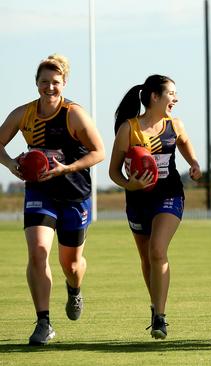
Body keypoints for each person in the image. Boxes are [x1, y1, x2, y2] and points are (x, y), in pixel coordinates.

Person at [0, 54, 105, 345]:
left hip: (73, 193)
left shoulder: (74, 113)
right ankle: (43, 322)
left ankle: (74, 290)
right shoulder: (24, 114)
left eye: (55, 82)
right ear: (36, 84)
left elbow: (99, 152)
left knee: (71, 265)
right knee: (38, 252)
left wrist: (67, 167)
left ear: (64, 83)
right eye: (44, 82)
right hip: (40, 192)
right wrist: (10, 164)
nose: (50, 87)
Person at [109, 75, 201, 340]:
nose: (176, 98)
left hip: (169, 195)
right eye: (171, 93)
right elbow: (113, 172)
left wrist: (194, 163)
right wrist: (130, 184)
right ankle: (155, 305)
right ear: (154, 97)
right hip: (137, 199)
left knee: (157, 250)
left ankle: (160, 317)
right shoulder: (129, 128)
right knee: (146, 258)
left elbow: (184, 144)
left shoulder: (176, 124)